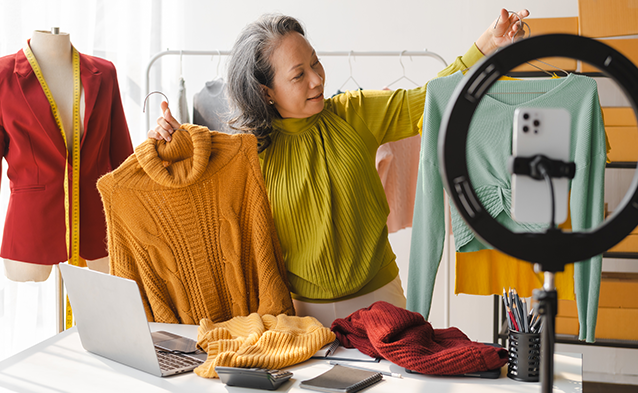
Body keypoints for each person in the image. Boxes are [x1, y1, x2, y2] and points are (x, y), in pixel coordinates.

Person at [149, 9, 529, 326]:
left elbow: (430, 99)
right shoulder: (247, 151)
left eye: (315, 62)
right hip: (299, 312)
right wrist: (168, 138)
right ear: (265, 90)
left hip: (381, 298)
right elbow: (187, 182)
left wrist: (486, 46)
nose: (316, 79)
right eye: (298, 75)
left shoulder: (355, 113)